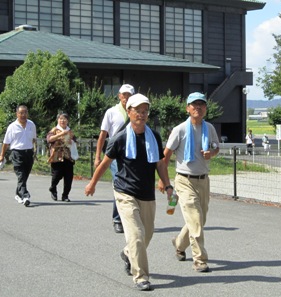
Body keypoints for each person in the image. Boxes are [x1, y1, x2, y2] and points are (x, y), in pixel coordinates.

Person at [85, 93, 171, 291]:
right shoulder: (120, 138)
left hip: (147, 193)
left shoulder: (154, 136)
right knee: (137, 235)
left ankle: (127, 253)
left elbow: (160, 164)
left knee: (147, 234)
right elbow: (105, 164)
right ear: (129, 112)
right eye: (138, 111)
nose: (141, 115)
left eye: (145, 111)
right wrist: (92, 183)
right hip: (125, 192)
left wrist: (167, 185)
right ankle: (141, 276)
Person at [158, 92, 220, 273]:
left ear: (205, 108)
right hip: (184, 180)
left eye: (201, 105)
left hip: (203, 179)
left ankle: (179, 243)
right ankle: (199, 259)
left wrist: (212, 153)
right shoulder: (180, 130)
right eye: (194, 105)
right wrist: (163, 180)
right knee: (195, 219)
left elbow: (216, 146)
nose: (198, 108)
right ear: (187, 108)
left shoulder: (209, 128)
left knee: (200, 220)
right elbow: (166, 155)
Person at [95, 83, 134, 233]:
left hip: (131, 154)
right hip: (115, 155)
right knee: (119, 184)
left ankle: (128, 218)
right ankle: (117, 218)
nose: (126, 98)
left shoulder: (135, 112)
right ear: (119, 96)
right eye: (124, 95)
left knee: (130, 186)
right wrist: (98, 156)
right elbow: (103, 135)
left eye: (129, 95)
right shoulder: (111, 112)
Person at [0, 105, 37, 207]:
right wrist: (2, 155)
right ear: (17, 114)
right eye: (21, 113)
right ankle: (25, 196)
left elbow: (34, 139)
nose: (23, 115)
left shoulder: (31, 125)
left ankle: (18, 193)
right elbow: (6, 142)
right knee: (21, 175)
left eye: (25, 112)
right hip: (17, 153)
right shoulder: (12, 126)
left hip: (29, 153)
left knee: (25, 176)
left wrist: (34, 151)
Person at [46, 112, 77, 202]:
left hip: (68, 157)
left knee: (68, 177)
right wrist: (60, 134)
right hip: (56, 157)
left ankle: (65, 195)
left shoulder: (70, 131)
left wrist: (72, 142)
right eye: (60, 119)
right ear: (57, 120)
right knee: (56, 175)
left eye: (64, 119)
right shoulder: (54, 130)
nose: (62, 120)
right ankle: (53, 189)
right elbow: (49, 139)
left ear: (67, 121)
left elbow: (75, 141)